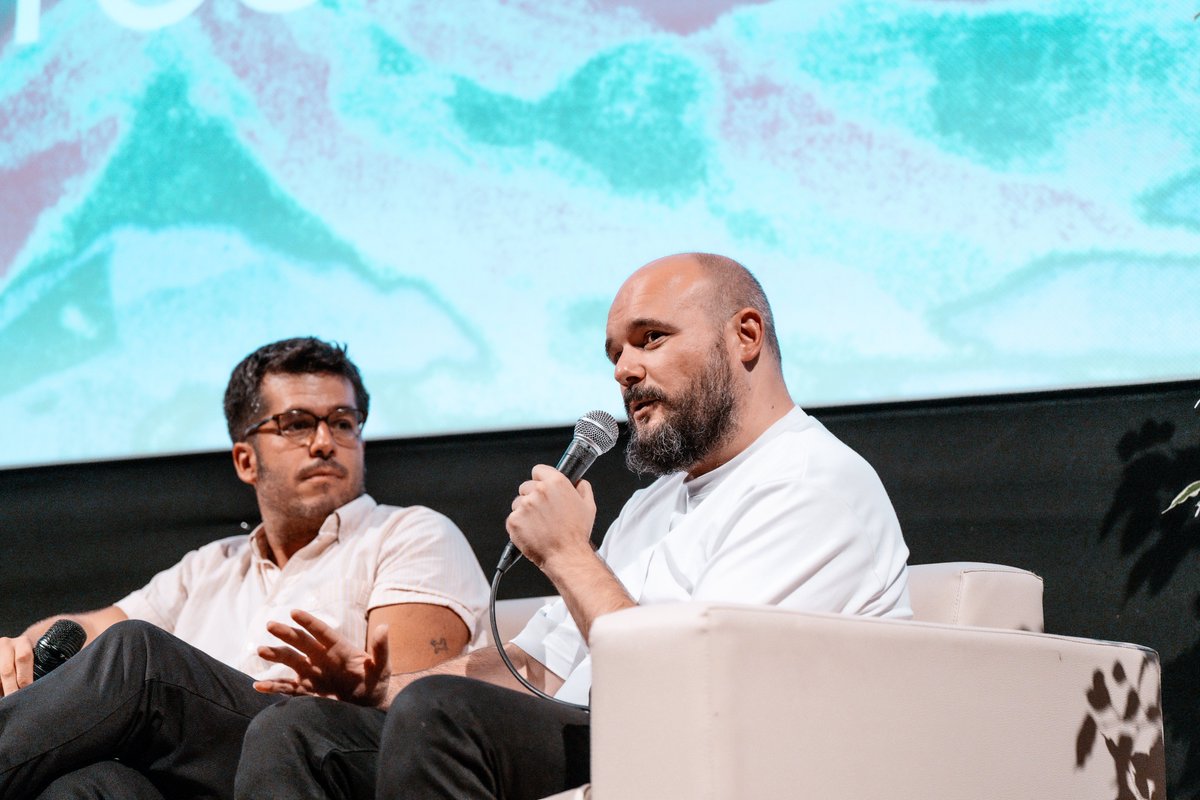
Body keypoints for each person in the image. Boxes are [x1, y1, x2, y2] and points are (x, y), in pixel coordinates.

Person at [234, 254, 912, 800]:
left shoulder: (812, 480)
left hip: (711, 751)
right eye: (615, 352)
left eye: (651, 339)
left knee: (442, 715)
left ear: (746, 336)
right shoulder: (655, 503)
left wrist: (565, 552)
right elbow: (535, 665)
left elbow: (690, 690)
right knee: (297, 732)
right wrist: (386, 688)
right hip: (614, 734)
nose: (625, 370)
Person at [0, 337, 489, 800]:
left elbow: (410, 712)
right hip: (214, 781)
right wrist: (26, 648)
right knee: (90, 786)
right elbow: (93, 632)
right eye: (297, 423)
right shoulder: (210, 566)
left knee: (141, 658)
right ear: (245, 460)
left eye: (343, 421)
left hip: (330, 763)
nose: (324, 442)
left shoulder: (411, 533)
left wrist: (356, 690)